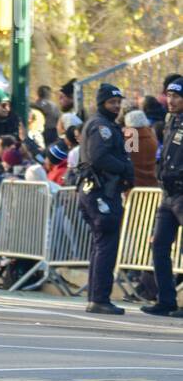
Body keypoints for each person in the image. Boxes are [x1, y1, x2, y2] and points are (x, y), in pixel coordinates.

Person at [75, 84, 134, 315]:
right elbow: (100, 157)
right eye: (112, 102)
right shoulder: (101, 126)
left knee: (101, 244)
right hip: (101, 192)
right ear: (102, 103)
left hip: (99, 191)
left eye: (118, 102)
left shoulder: (108, 125)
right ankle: (99, 298)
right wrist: (125, 169)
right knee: (106, 243)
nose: (117, 106)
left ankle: (97, 297)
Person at [140, 78, 183, 318]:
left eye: (177, 96)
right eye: (169, 95)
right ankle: (166, 299)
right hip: (168, 194)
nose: (171, 100)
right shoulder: (170, 122)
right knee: (159, 245)